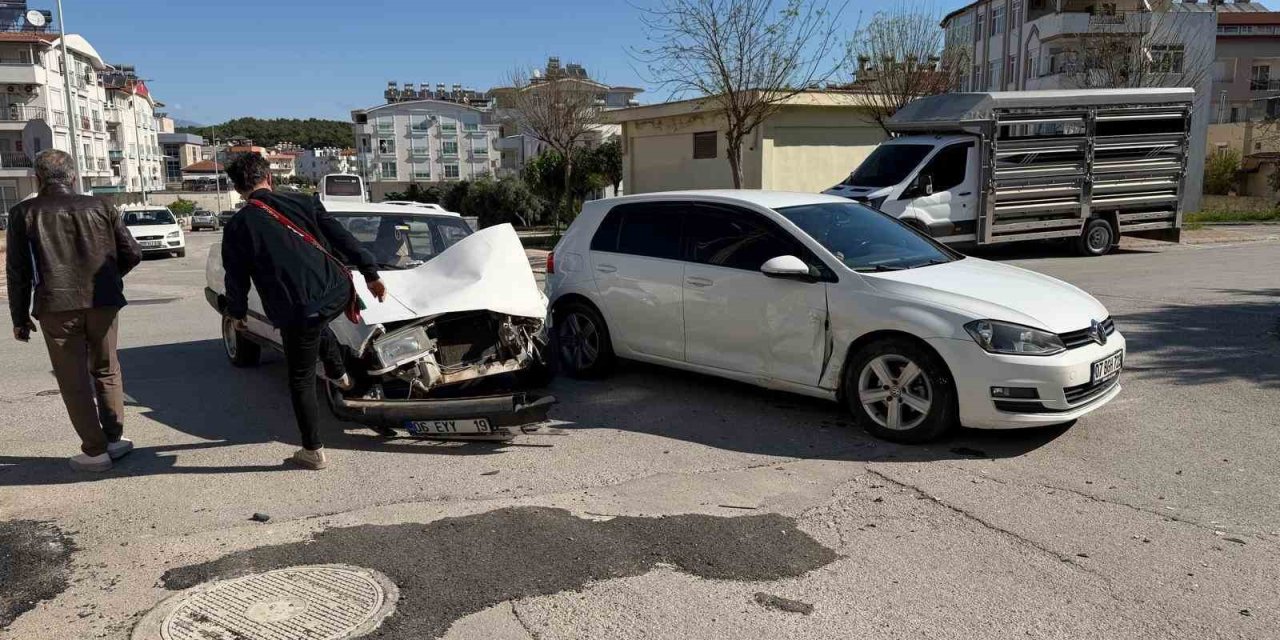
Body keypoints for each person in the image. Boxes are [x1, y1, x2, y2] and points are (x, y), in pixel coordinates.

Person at [221, 152, 386, 470]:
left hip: (297, 309)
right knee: (317, 325)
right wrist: (371, 273)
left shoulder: (238, 226)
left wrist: (237, 313)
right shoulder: (304, 202)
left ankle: (313, 451)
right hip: (336, 293)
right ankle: (338, 371)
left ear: (238, 188)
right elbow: (344, 238)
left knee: (301, 379)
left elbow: (236, 277)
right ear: (268, 177)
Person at [6, 149, 142, 472]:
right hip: (104, 302)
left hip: (56, 305)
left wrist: (20, 318)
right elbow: (132, 253)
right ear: (74, 177)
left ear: (37, 179)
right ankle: (113, 439)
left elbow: (18, 272)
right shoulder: (101, 206)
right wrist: (108, 281)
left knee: (73, 378)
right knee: (108, 368)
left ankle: (94, 451)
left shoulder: (23, 212)